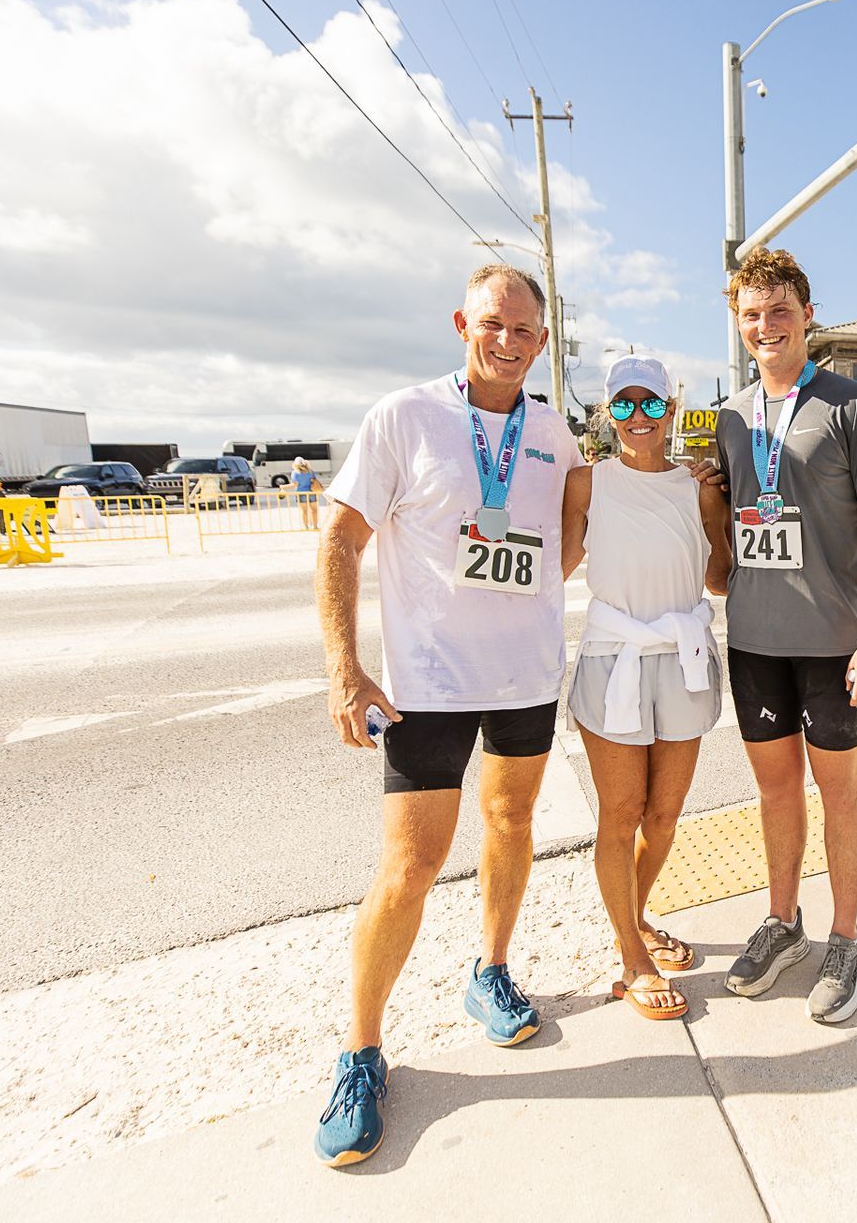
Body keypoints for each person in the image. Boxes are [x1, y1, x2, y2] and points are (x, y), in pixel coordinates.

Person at [311, 264, 583, 1167]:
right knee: (411, 865)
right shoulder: (403, 416)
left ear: (543, 343)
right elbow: (341, 539)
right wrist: (346, 668)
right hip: (425, 686)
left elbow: (566, 543)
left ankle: (491, 971)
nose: (508, 342)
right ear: (462, 322)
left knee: (512, 822)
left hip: (526, 680)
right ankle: (360, 1053)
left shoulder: (556, 433)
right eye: (493, 324)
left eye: (526, 331)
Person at [715, 249, 857, 1025]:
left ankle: (847, 938)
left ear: (807, 314)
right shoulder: (730, 415)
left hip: (832, 642)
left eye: (780, 309)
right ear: (739, 322)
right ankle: (783, 921)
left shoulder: (852, 406)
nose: (767, 325)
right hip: (755, 642)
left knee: (839, 790)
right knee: (774, 790)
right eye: (752, 313)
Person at [562, 356, 733, 1022]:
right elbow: (557, 564)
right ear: (608, 413)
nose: (638, 417)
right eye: (625, 405)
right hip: (615, 658)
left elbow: (718, 578)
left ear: (671, 407)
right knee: (620, 812)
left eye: (651, 404)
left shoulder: (698, 486)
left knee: (664, 814)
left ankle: (629, 921)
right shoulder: (586, 482)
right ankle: (633, 956)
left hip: (684, 658)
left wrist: (717, 506)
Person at [291, 455, 324, 530]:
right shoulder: (311, 472)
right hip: (311, 492)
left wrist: (283, 486)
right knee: (314, 510)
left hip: (301, 493)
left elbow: (295, 484)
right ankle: (315, 526)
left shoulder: (295, 473)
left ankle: (306, 526)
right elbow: (314, 481)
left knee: (304, 511)